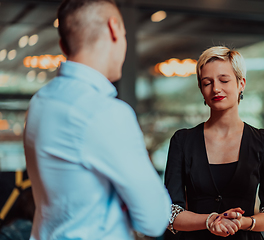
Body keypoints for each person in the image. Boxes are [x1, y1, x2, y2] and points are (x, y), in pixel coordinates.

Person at [23, 0, 171, 239]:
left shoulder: (40, 102)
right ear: (114, 28)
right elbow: (154, 219)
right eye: (124, 34)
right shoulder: (105, 112)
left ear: (62, 45)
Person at [164, 46, 264, 240]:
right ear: (201, 90)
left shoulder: (263, 141)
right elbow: (171, 213)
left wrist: (245, 223)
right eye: (207, 83)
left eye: (224, 80)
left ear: (241, 83)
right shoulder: (182, 141)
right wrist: (210, 220)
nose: (216, 88)